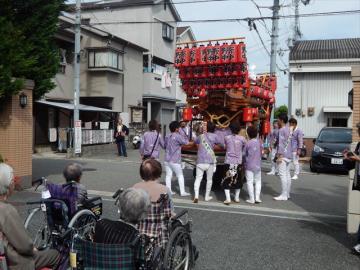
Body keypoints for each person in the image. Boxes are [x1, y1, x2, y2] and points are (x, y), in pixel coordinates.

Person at [0, 163, 60, 270]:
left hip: (5, 257)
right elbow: (24, 246)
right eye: (13, 180)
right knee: (55, 255)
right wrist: (32, 248)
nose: (15, 182)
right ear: (8, 185)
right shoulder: (6, 210)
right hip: (15, 262)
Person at [133, 159, 174, 247]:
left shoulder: (135, 188)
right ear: (158, 173)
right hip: (158, 233)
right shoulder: (164, 190)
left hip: (137, 231)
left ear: (141, 173)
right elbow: (170, 213)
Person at [193, 121, 222, 203]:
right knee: (209, 180)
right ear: (214, 129)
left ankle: (196, 196)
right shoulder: (215, 136)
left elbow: (195, 142)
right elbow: (222, 145)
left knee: (198, 179)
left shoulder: (201, 136)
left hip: (200, 160)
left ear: (207, 128)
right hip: (210, 161)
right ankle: (206, 197)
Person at [221, 122, 246, 205]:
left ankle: (228, 199)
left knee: (227, 179)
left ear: (230, 129)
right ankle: (237, 198)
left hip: (228, 161)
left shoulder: (226, 138)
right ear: (239, 130)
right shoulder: (242, 139)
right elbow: (245, 149)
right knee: (238, 179)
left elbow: (224, 147)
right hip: (238, 161)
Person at [164, 121, 190, 196]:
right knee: (180, 175)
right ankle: (182, 192)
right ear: (176, 129)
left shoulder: (167, 136)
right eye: (178, 127)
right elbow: (186, 142)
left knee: (168, 175)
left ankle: (169, 191)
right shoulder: (178, 136)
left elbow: (165, 146)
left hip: (167, 159)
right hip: (175, 160)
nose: (179, 128)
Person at [274, 113, 293, 201]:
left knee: (282, 175)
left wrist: (279, 156)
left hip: (283, 155)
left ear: (281, 120)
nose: (277, 121)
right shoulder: (289, 129)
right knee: (287, 174)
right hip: (289, 154)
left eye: (278, 119)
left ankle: (284, 195)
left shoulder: (281, 130)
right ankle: (287, 193)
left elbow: (281, 144)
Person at [244, 126, 263, 204]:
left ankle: (251, 199)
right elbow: (262, 153)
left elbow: (244, 154)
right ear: (256, 134)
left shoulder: (248, 143)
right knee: (258, 181)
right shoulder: (259, 142)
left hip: (249, 165)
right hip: (258, 165)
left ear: (248, 134)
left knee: (249, 182)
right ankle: (257, 198)